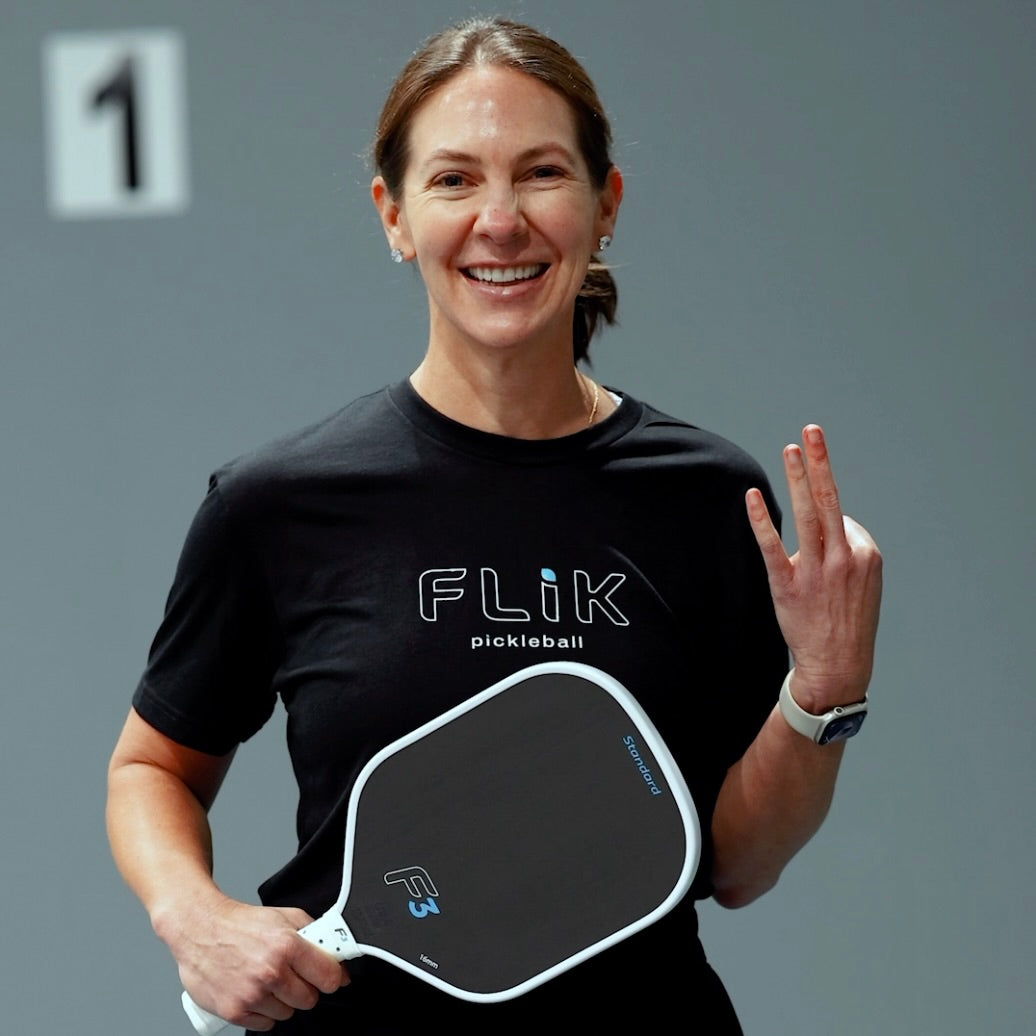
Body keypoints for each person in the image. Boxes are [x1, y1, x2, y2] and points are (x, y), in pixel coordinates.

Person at [107, 16, 881, 1034]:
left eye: (542, 173)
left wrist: (823, 694)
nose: (501, 220)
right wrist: (192, 913)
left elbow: (729, 861)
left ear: (605, 205)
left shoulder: (705, 496)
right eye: (454, 179)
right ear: (392, 215)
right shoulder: (279, 502)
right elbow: (151, 767)